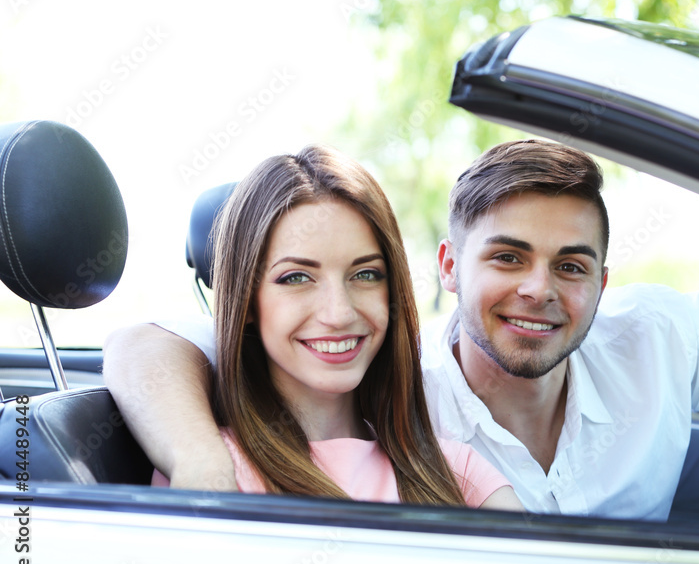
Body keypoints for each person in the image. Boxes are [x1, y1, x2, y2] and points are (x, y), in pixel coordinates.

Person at [104, 140, 699, 535]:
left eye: (570, 264)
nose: (537, 289)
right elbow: (144, 345)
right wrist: (205, 473)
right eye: (508, 256)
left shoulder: (656, 335)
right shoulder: (398, 388)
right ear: (450, 265)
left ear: (602, 277)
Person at [143, 144, 521, 509]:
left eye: (366, 274)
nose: (338, 314)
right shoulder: (210, 471)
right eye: (296, 278)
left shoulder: (459, 474)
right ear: (247, 301)